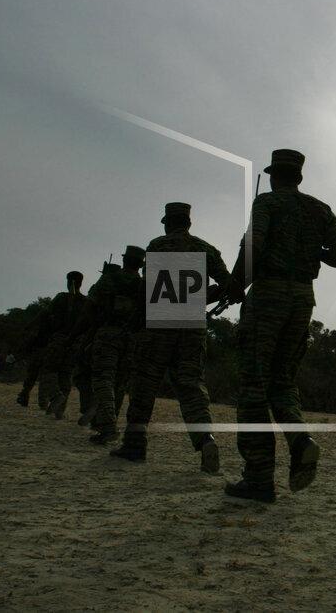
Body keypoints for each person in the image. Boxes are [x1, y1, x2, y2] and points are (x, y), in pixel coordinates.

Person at [222, 149, 336, 503]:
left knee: (253, 383)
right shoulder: (319, 209)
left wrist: (236, 284)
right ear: (298, 177)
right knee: (281, 381)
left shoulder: (267, 203)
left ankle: (259, 478)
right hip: (302, 300)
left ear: (274, 175)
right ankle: (300, 440)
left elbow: (256, 244)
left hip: (269, 295)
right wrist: (311, 251)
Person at [110, 203, 228, 474]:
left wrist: (136, 322)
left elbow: (147, 288)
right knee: (191, 386)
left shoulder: (157, 246)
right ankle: (205, 440)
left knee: (145, 384)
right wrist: (202, 297)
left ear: (167, 222)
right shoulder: (205, 248)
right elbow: (228, 284)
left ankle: (135, 444)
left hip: (160, 322)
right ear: (188, 223)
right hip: (192, 325)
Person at [72, 246, 146, 444]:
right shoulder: (143, 286)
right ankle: (105, 423)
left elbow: (90, 308)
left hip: (108, 334)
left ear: (124, 260)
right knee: (119, 383)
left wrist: (79, 335)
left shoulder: (109, 280)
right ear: (141, 264)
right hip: (132, 338)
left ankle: (106, 425)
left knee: (103, 378)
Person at [39, 271, 88, 418]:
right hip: (76, 343)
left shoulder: (62, 298)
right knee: (65, 375)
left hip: (60, 339)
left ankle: (55, 396)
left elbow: (46, 315)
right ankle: (60, 410)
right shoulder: (85, 301)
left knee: (48, 370)